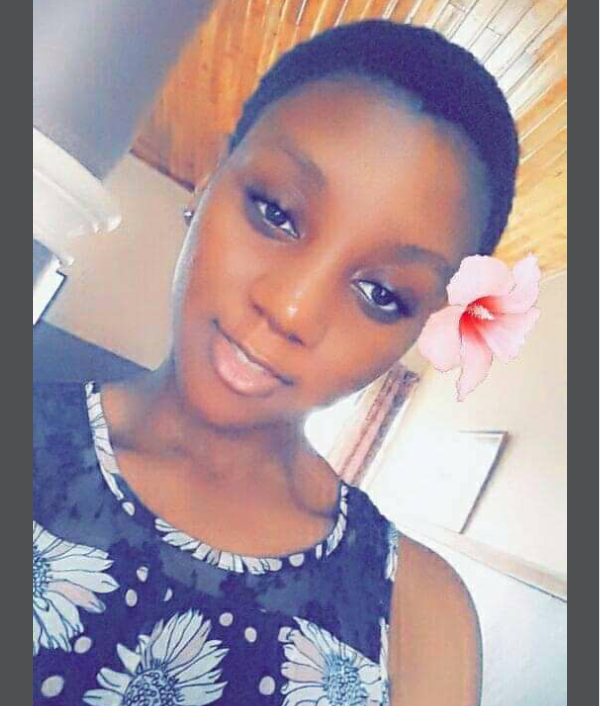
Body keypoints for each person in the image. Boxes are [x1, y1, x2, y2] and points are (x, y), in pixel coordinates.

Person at [33, 20, 519, 706]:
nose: (291, 310)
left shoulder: (421, 614)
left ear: (416, 326)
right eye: (276, 212)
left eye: (382, 293)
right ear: (208, 182)